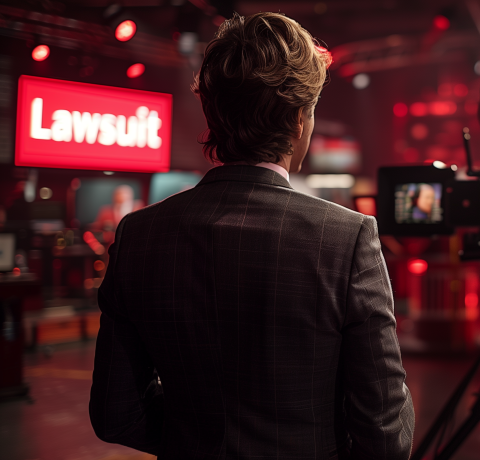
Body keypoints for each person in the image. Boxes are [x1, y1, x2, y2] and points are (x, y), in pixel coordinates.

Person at [89, 13, 414, 460]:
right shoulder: (347, 238)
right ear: (299, 120)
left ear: (214, 113)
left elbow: (116, 414)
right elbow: (385, 434)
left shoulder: (139, 235)